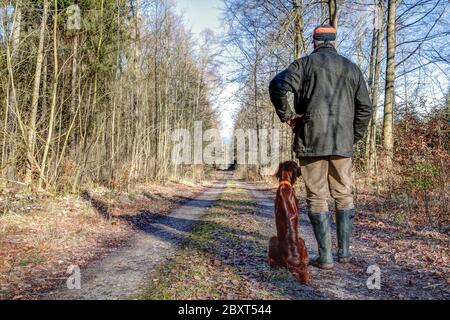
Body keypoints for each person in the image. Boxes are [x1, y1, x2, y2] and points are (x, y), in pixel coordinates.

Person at [268, 25, 372, 269]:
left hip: (311, 139)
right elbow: (365, 109)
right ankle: (344, 253)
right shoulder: (352, 68)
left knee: (317, 197)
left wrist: (287, 116)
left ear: (314, 41)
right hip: (341, 142)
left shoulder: (302, 65)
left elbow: (277, 86)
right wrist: (352, 136)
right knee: (344, 194)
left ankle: (325, 257)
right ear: (334, 41)